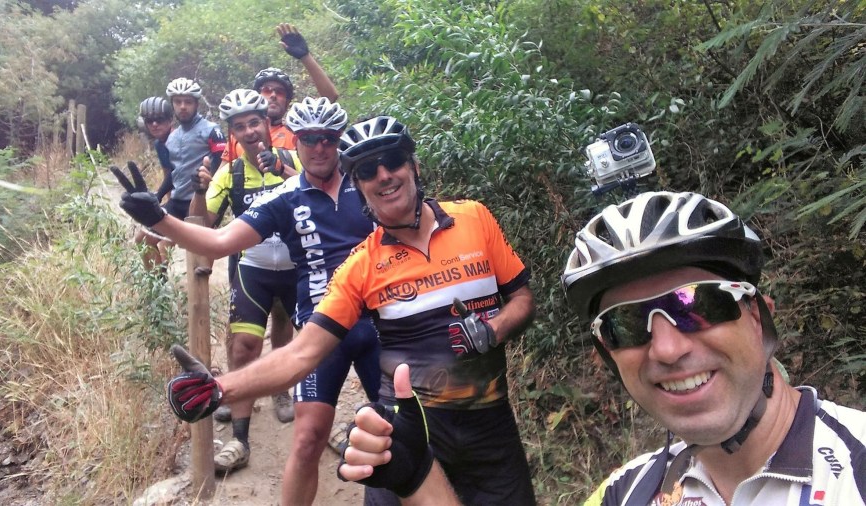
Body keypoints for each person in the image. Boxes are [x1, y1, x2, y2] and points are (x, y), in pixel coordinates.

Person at [341, 191, 866, 505]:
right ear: (608, 355)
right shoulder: (626, 492)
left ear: (759, 314)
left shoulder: (856, 465)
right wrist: (420, 478)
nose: (667, 348)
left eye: (697, 304)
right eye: (627, 324)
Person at [121, 115, 538, 505]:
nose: (383, 175)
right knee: (309, 439)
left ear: (413, 166)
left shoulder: (475, 219)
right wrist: (219, 389)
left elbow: (522, 299)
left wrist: (495, 328)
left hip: (492, 431)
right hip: (404, 435)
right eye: (368, 171)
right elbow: (300, 353)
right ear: (360, 185)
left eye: (393, 161)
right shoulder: (359, 263)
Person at [112, 98, 383, 505]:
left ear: (339, 139)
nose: (319, 147)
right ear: (296, 139)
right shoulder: (285, 197)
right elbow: (220, 242)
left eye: (328, 138)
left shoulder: (366, 183)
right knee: (307, 439)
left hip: (379, 323)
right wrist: (159, 220)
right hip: (320, 330)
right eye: (309, 139)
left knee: (400, 429)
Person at [188, 89, 302, 473]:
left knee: (301, 338)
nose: (250, 131)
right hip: (252, 268)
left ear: (267, 124)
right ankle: (239, 439)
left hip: (296, 268)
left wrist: (282, 170)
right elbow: (203, 223)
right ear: (233, 135)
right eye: (240, 127)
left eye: (255, 123)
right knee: (243, 347)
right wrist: (199, 190)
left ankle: (285, 393)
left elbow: (321, 192)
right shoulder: (230, 172)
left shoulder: (293, 158)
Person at [221, 23, 338, 164]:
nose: (273, 95)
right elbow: (222, 174)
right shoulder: (239, 136)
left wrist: (305, 57)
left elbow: (330, 98)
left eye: (280, 92)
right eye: (267, 90)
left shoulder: (297, 132)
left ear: (288, 101)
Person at [161, 77, 226, 223]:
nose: (183, 106)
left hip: (201, 201)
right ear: (172, 104)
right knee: (145, 235)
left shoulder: (212, 130)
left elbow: (223, 165)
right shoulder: (171, 137)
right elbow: (173, 173)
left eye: (188, 102)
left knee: (185, 236)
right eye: (178, 102)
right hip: (176, 201)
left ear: (197, 104)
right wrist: (158, 195)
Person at [132, 96, 174, 273]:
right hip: (177, 200)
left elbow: (178, 173)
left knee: (150, 240)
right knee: (149, 241)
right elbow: (167, 173)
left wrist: (159, 195)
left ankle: (158, 281)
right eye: (150, 121)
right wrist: (166, 201)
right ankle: (158, 281)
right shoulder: (159, 144)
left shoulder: (178, 140)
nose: (155, 124)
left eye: (160, 119)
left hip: (194, 200)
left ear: (170, 120)